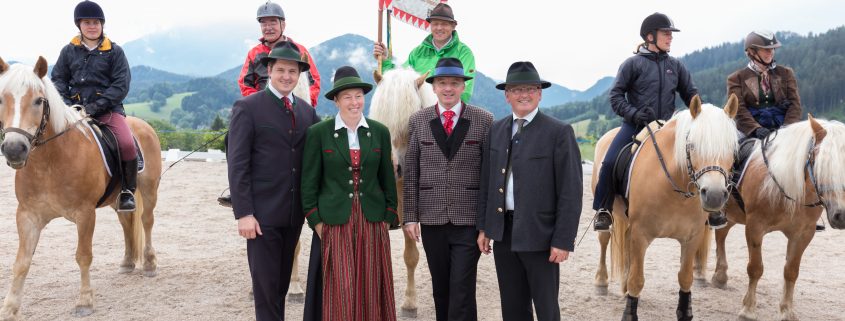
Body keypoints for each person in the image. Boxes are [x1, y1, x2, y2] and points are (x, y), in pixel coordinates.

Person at [476, 61, 582, 321]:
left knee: (547, 309)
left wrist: (563, 240)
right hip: (504, 234)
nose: (524, 94)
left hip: (541, 236)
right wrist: (485, 227)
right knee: (512, 308)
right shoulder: (496, 130)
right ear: (507, 95)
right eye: (517, 89)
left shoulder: (559, 132)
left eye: (530, 89)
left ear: (540, 93)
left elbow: (571, 192)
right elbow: (487, 183)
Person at [227, 41, 320, 321]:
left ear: (299, 75)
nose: (287, 76)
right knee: (266, 291)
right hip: (261, 217)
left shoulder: (307, 112)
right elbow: (238, 164)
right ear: (269, 70)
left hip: (293, 216)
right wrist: (244, 213)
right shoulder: (247, 107)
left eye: (292, 71)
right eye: (281, 70)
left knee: (280, 286)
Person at [592, 13, 710, 231]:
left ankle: (713, 208)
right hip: (636, 125)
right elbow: (615, 96)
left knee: (706, 157)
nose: (670, 37)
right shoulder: (631, 64)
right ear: (650, 36)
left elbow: (691, 95)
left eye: (671, 34)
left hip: (668, 126)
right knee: (609, 162)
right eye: (666, 33)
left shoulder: (676, 66)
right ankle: (604, 209)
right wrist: (634, 114)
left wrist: (703, 116)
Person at [301, 66, 398, 321]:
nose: (354, 102)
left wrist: (388, 215)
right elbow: (309, 183)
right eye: (347, 97)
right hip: (335, 220)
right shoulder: (319, 133)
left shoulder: (379, 131)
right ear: (336, 100)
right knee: (340, 288)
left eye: (358, 96)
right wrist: (316, 221)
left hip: (372, 220)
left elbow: (387, 179)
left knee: (370, 285)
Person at [403, 57, 493, 321]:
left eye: (454, 83)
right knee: (440, 289)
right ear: (433, 87)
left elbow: (489, 176)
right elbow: (411, 172)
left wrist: (486, 225)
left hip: (469, 221)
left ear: (463, 86)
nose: (448, 88)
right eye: (442, 83)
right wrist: (410, 216)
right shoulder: (418, 120)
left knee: (462, 289)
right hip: (432, 219)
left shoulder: (484, 120)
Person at [51, 0, 136, 212]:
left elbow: (121, 85)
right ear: (79, 25)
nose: (92, 26)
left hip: (107, 111)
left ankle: (127, 191)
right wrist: (67, 105)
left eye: (96, 22)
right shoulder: (68, 51)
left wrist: (95, 107)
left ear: (102, 24)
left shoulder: (115, 52)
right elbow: (58, 79)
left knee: (127, 144)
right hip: (73, 112)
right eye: (87, 22)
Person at [727, 30, 816, 230]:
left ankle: (810, 209)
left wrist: (787, 129)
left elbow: (795, 104)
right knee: (729, 154)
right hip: (750, 130)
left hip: (783, 128)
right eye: (765, 50)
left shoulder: (786, 74)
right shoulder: (736, 78)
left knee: (809, 155)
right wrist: (755, 129)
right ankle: (722, 202)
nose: (770, 53)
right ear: (751, 52)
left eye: (772, 49)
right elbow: (739, 109)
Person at [373, 3, 476, 103]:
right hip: (418, 111)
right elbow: (399, 82)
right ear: (430, 25)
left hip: (449, 111)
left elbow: (465, 90)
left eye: (444, 24)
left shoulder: (464, 53)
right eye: (435, 24)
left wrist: (439, 107)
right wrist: (385, 61)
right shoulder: (417, 52)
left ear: (453, 26)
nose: (439, 28)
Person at [239, 1, 320, 106]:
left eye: (273, 23)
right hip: (264, 108)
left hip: (296, 107)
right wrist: (259, 104)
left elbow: (314, 82)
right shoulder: (254, 54)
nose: (268, 28)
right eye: (264, 23)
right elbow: (245, 84)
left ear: (283, 25)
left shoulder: (300, 51)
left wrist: (305, 107)